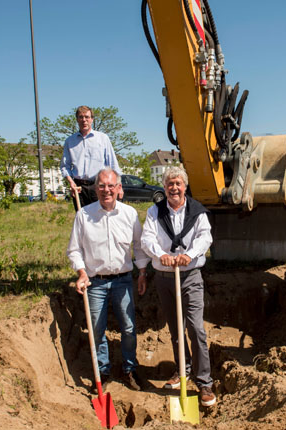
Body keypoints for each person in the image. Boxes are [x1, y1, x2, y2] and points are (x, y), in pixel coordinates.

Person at [67, 167, 149, 391]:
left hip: (123, 280)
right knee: (96, 330)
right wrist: (82, 272)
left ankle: (129, 369)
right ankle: (101, 373)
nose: (106, 190)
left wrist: (142, 272)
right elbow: (74, 250)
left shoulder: (129, 214)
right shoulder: (84, 215)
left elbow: (139, 247)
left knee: (129, 328)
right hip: (96, 282)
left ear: (119, 188)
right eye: (101, 186)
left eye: (111, 186)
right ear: (95, 189)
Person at [141, 166, 217, 407]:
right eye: (169, 184)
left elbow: (205, 237)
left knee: (196, 328)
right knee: (175, 329)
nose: (174, 188)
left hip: (190, 275)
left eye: (178, 183)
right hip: (164, 277)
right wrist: (160, 254)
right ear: (164, 188)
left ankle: (204, 382)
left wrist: (191, 254)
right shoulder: (155, 211)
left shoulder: (197, 211)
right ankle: (182, 370)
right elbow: (146, 239)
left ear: (185, 186)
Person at [60, 106, 123, 210]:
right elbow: (65, 166)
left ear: (92, 119)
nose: (84, 120)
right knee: (82, 219)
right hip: (79, 188)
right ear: (77, 119)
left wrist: (119, 186)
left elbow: (112, 164)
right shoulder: (70, 141)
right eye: (81, 117)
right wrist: (71, 182)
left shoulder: (102, 138)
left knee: (102, 216)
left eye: (87, 117)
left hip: (99, 186)